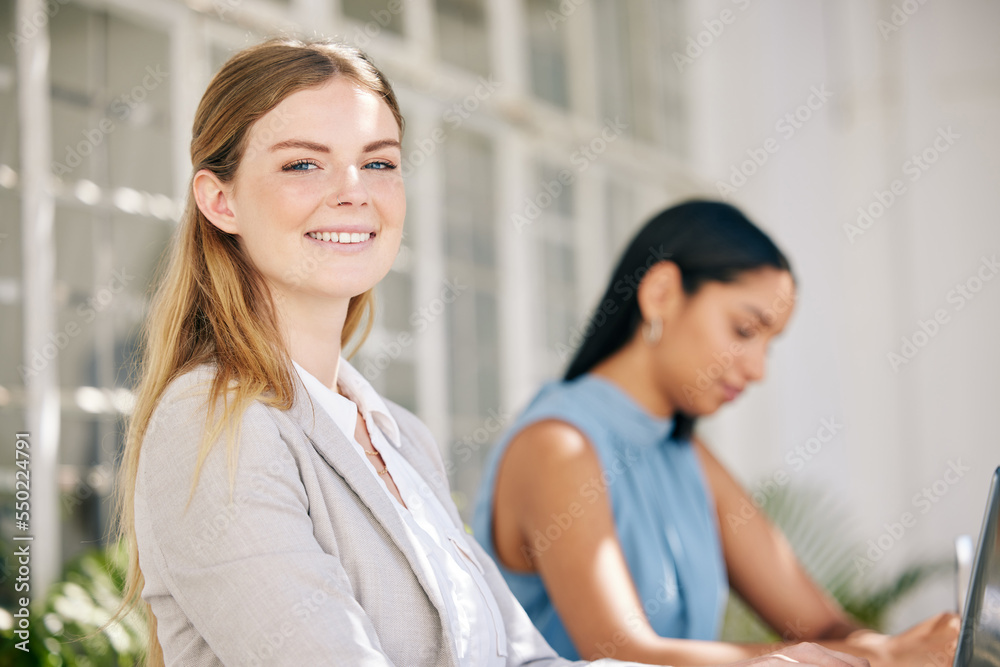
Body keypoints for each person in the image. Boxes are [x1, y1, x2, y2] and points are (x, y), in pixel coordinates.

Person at [113, 38, 871, 667]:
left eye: (379, 161)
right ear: (220, 200)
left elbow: (525, 661)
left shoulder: (401, 436)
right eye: (304, 163)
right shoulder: (212, 423)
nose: (355, 191)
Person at [472, 201, 960, 666]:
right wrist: (885, 657)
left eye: (770, 344)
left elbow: (822, 624)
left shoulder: (683, 452)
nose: (757, 369)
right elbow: (627, 657)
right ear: (661, 293)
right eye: (745, 330)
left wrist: (918, 648)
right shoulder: (558, 445)